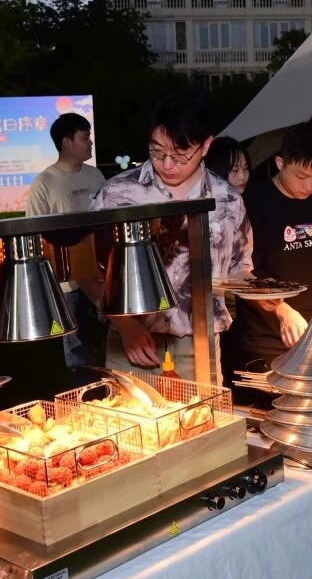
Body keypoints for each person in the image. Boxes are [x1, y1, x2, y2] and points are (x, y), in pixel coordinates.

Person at [90, 90, 253, 373]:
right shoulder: (117, 194)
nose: (167, 165)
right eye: (157, 151)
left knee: (205, 405)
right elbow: (89, 272)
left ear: (205, 146)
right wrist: (126, 326)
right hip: (133, 345)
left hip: (199, 347)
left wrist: (264, 293)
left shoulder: (227, 198)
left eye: (179, 156)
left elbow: (240, 265)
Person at [224, 123, 312, 376]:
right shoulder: (253, 204)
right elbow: (241, 274)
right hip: (264, 339)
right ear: (280, 163)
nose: (309, 185)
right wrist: (281, 309)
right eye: (301, 176)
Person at [26, 112, 107, 369]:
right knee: (76, 345)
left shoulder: (95, 176)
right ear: (66, 142)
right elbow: (35, 235)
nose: (90, 143)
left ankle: (115, 383)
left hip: (101, 274)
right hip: (67, 283)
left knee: (111, 334)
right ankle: (82, 388)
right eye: (85, 137)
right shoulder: (44, 183)